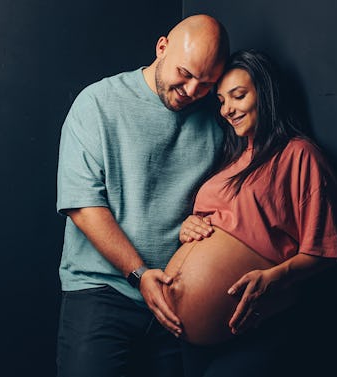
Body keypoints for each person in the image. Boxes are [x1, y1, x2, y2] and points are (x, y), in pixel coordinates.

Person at [55, 14, 229, 377]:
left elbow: (218, 199)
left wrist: (199, 221)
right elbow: (84, 206)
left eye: (206, 83)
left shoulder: (214, 120)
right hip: (102, 292)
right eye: (185, 73)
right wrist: (139, 274)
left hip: (177, 302)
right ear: (162, 47)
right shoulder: (98, 103)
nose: (193, 90)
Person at [161, 50, 337, 376]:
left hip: (254, 325)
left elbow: (326, 251)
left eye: (238, 96)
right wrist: (189, 226)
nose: (227, 109)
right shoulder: (230, 161)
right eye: (221, 100)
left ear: (266, 94)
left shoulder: (298, 155)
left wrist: (273, 278)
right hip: (189, 338)